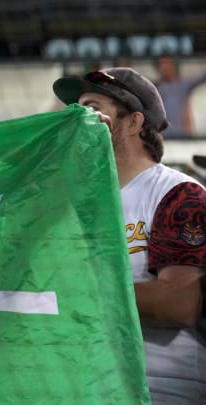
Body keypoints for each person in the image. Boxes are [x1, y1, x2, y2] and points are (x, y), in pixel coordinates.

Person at [53, 67, 206, 403]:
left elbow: (179, 303)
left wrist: (71, 294)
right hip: (82, 385)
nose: (78, 119)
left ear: (134, 123)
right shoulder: (69, 204)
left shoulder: (178, 195)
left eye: (92, 108)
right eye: (74, 110)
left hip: (160, 387)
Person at [154, 55, 206, 138]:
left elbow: (202, 78)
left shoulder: (183, 85)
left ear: (174, 66)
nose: (165, 68)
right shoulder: (156, 87)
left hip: (181, 134)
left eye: (168, 64)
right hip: (163, 135)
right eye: (162, 65)